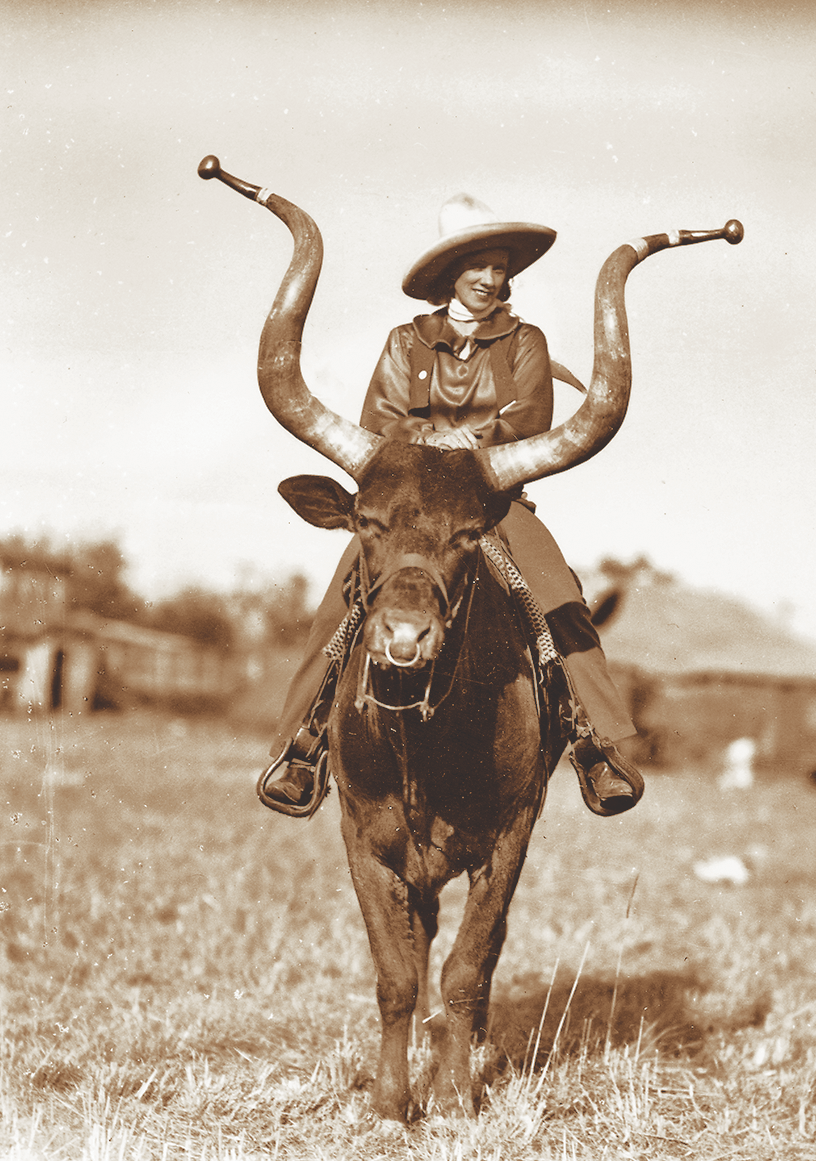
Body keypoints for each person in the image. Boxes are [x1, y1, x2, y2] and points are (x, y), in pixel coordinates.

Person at [263, 193, 644, 816]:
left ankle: (596, 743)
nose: (492, 279)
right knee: (339, 606)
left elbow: (532, 416)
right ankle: (299, 749)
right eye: (478, 266)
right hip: (407, 504)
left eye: (500, 267)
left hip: (489, 500)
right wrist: (426, 443)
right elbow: (378, 422)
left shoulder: (525, 341)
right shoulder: (404, 342)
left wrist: (474, 443)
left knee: (557, 596)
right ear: (451, 273)